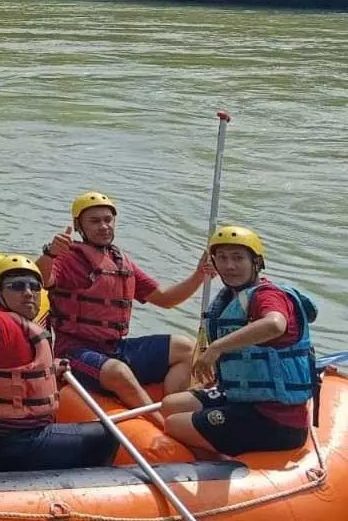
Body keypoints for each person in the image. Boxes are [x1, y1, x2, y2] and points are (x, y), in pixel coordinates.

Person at [37, 191, 215, 425]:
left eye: (108, 220)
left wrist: (199, 275)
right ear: (79, 226)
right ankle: (161, 424)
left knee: (186, 348)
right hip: (75, 350)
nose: (104, 226)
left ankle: (174, 411)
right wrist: (50, 253)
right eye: (95, 221)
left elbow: (165, 299)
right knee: (118, 371)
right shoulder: (68, 258)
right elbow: (41, 279)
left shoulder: (121, 261)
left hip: (115, 347)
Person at [160, 226, 317, 457]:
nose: (230, 266)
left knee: (174, 424)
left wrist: (216, 348)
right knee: (170, 405)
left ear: (256, 262)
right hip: (242, 401)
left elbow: (275, 324)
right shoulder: (229, 299)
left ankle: (218, 465)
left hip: (276, 419)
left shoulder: (267, 296)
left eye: (238, 258)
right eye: (222, 258)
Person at [0, 253, 119, 472]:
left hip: (2, 438)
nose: (28, 293)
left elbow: (16, 371)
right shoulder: (1, 325)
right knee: (106, 436)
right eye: (17, 286)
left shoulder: (22, 328)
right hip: (13, 443)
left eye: (35, 287)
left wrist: (51, 369)